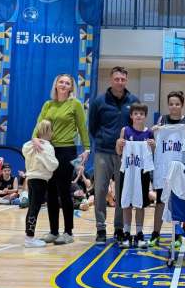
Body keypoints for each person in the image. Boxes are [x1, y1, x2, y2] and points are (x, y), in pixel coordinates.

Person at [32, 73, 90, 245]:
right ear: (56, 85)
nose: (64, 85)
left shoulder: (75, 104)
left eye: (67, 83)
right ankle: (53, 231)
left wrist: (87, 148)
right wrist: (34, 138)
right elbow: (39, 124)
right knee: (50, 191)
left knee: (64, 191)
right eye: (61, 82)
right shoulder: (48, 104)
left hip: (67, 150)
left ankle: (68, 232)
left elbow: (82, 127)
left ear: (71, 87)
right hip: (48, 150)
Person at [89, 66, 139, 244]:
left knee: (121, 192)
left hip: (125, 154)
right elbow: (92, 127)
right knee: (100, 190)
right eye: (117, 79)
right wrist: (102, 139)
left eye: (122, 79)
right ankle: (101, 229)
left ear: (126, 80)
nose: (119, 82)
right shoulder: (99, 101)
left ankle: (119, 228)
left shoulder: (133, 100)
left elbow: (137, 125)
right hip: (103, 151)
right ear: (111, 80)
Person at [149, 91, 185, 247]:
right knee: (160, 202)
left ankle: (177, 234)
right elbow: (154, 144)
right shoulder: (162, 121)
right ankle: (155, 233)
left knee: (178, 202)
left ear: (182, 105)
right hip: (164, 168)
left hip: (180, 168)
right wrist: (154, 131)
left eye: (177, 104)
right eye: (171, 104)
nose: (174, 107)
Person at [116, 102, 155, 248]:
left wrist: (153, 145)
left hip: (142, 172)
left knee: (140, 204)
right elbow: (119, 152)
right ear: (131, 116)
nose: (139, 116)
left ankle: (139, 233)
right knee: (126, 203)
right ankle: (126, 232)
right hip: (127, 171)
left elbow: (153, 153)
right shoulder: (125, 130)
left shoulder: (149, 133)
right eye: (136, 113)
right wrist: (119, 144)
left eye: (142, 114)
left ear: (145, 116)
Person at [22, 120, 59, 247]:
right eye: (51, 130)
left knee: (31, 208)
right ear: (48, 131)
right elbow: (52, 165)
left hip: (30, 179)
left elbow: (24, 148)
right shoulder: (47, 147)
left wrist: (34, 139)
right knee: (35, 208)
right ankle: (29, 238)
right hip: (40, 180)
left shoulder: (29, 145)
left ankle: (28, 236)